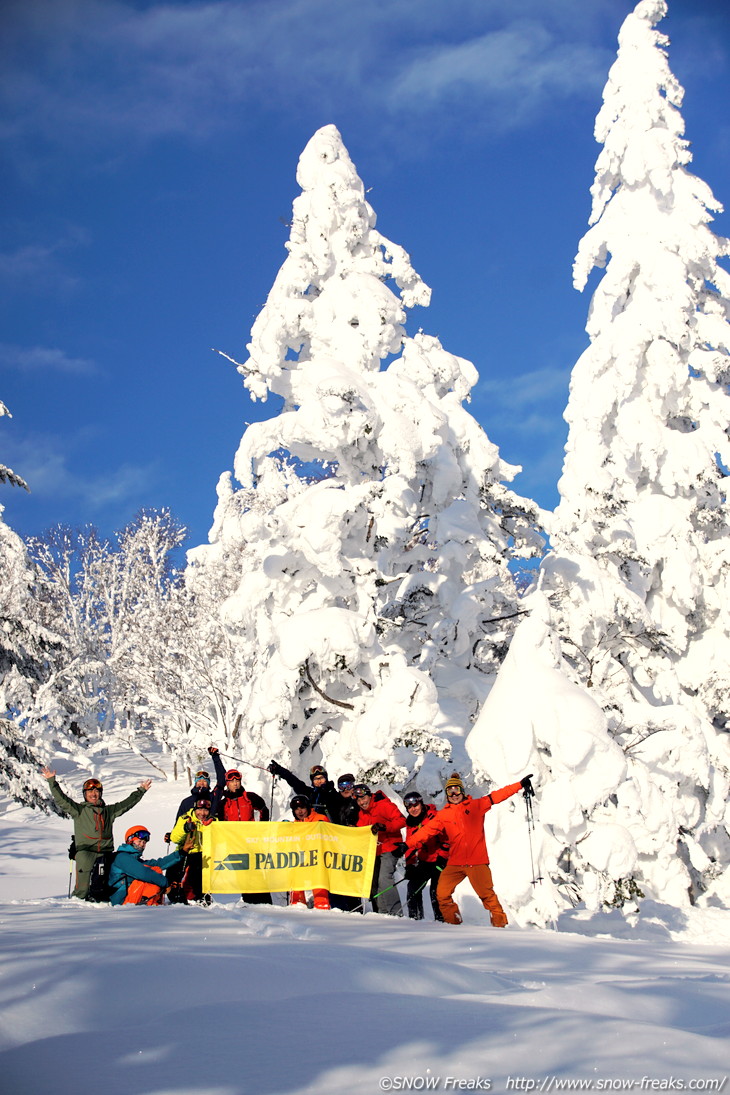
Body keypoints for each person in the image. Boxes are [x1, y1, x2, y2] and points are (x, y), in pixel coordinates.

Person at [405, 771, 533, 927]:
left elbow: (497, 796)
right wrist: (407, 844)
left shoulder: (476, 806)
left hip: (477, 862)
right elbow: (426, 831)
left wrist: (519, 784)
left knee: (487, 896)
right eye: (450, 792)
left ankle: (501, 926)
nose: (454, 794)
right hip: (455, 864)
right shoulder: (444, 814)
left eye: (456, 790)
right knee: (442, 894)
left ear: (462, 791)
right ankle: (453, 925)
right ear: (447, 794)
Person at [41, 766, 151, 901]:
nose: (94, 794)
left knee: (102, 889)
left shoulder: (108, 811)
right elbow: (61, 800)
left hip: (105, 854)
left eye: (97, 791)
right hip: (85, 854)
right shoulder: (79, 810)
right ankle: (76, 908)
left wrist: (141, 791)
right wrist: (52, 781)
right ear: (85, 794)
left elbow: (126, 804)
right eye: (90, 791)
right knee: (83, 889)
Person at [212, 752, 272, 905]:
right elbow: (218, 822)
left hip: (252, 841)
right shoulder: (223, 803)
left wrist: (262, 828)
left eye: (237, 780)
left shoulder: (250, 797)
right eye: (232, 781)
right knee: (242, 873)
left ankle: (265, 902)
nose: (235, 783)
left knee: (257, 872)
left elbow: (264, 810)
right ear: (227, 783)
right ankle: (249, 901)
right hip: (235, 844)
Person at [354, 783, 406, 917]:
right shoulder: (362, 814)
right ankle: (381, 914)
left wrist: (385, 827)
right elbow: (362, 831)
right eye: (359, 800)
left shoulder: (383, 805)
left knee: (384, 879)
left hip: (389, 847)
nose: (362, 802)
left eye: (363, 798)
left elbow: (401, 820)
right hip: (374, 851)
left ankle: (396, 912)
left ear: (369, 796)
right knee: (374, 881)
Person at [109, 825, 194, 906]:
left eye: (144, 842)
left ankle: (153, 906)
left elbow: (159, 864)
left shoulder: (136, 860)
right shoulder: (122, 857)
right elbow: (144, 873)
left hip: (129, 897)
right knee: (152, 876)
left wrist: (182, 852)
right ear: (130, 840)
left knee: (155, 870)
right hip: (120, 901)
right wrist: (166, 883)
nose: (142, 844)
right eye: (139, 841)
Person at [402, 791, 447, 922]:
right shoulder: (411, 822)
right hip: (425, 861)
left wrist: (442, 858)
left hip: (440, 859)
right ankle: (415, 919)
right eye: (409, 807)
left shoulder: (434, 816)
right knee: (413, 887)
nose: (413, 809)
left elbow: (446, 838)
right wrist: (410, 865)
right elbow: (410, 844)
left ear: (421, 803)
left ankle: (441, 921)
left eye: (415, 805)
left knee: (436, 891)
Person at [169, 797, 218, 904]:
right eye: (200, 810)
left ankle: (201, 897)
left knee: (199, 872)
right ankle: (176, 897)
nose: (202, 813)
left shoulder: (213, 821)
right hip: (186, 852)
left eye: (205, 810)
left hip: (204, 855)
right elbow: (174, 838)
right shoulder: (185, 818)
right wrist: (185, 829)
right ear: (195, 809)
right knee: (173, 872)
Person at [288, 795, 330, 910]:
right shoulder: (293, 825)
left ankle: (322, 905)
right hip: (301, 858)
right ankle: (297, 904)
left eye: (302, 807)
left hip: (318, 858)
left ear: (307, 807)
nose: (300, 811)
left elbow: (330, 837)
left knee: (319, 879)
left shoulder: (320, 819)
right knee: (294, 875)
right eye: (296, 809)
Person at [267, 760, 340, 821]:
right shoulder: (310, 793)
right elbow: (295, 783)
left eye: (321, 778)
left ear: (326, 779)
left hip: (331, 832)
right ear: (312, 781)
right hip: (312, 831)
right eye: (315, 779)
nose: (319, 781)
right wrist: (280, 770)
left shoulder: (333, 794)